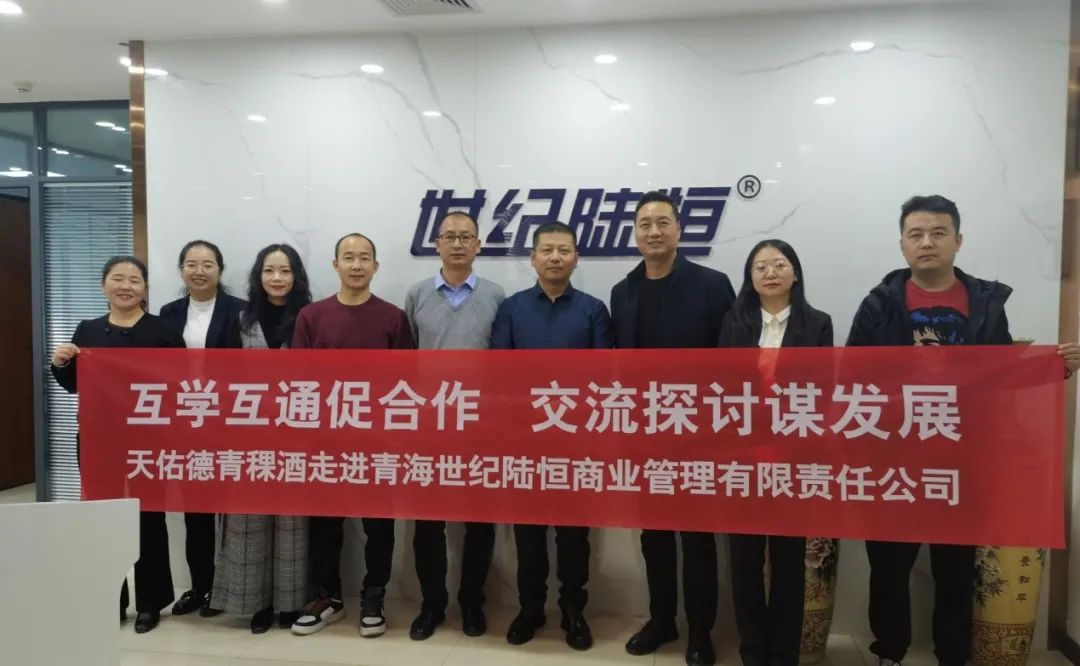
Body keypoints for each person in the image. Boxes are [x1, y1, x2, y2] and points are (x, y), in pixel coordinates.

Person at [847, 194, 1080, 666]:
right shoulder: (878, 305)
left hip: (963, 461)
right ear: (902, 244)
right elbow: (854, 377)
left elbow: (998, 375)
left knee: (955, 570)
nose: (926, 242)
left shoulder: (986, 304)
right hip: (894, 461)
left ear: (958, 240)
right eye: (915, 234)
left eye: (938, 233)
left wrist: (1049, 368)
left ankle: (952, 656)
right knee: (888, 568)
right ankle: (888, 653)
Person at [611, 190, 735, 666]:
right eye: (645, 224)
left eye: (663, 222)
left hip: (699, 435)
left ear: (679, 230)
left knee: (698, 539)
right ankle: (662, 620)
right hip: (646, 436)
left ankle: (701, 631)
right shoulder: (623, 291)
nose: (654, 231)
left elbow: (731, 362)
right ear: (635, 233)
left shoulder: (713, 285)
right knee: (655, 536)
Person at [490, 221, 612, 652]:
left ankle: (573, 611)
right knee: (528, 534)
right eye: (547, 250)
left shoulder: (594, 310)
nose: (555, 257)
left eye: (564, 250)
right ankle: (531, 609)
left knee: (573, 535)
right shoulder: (512, 309)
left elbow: (602, 379)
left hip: (576, 443)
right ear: (533, 258)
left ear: (576, 257)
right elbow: (500, 373)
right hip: (524, 442)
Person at [50, 256, 184, 634]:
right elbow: (74, 384)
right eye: (118, 278)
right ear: (103, 285)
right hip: (99, 439)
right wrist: (62, 363)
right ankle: (111, 599)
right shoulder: (88, 329)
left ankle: (150, 603)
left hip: (149, 439)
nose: (126, 286)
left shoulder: (163, 330)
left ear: (145, 288)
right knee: (102, 518)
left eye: (134, 280)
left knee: (149, 518)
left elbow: (180, 383)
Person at [290, 232, 412, 638]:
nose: (356, 265)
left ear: (376, 266)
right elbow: (300, 381)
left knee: (379, 525)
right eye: (348, 257)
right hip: (326, 441)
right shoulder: (311, 316)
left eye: (364, 258)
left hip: (377, 443)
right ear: (335, 265)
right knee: (325, 523)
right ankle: (328, 598)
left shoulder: (393, 318)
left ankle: (374, 596)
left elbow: (405, 384)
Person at [718, 240, 832, 666]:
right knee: (745, 563)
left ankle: (784, 653)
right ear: (750, 277)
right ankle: (753, 650)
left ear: (795, 273)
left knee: (788, 564)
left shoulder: (818, 324)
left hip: (793, 460)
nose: (770, 273)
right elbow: (723, 388)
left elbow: (820, 391)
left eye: (779, 265)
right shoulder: (733, 323)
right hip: (743, 459)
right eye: (760, 266)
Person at [403, 212, 506, 640]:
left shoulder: (497, 296)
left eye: (466, 237)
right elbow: (407, 360)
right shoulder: (417, 294)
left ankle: (471, 602)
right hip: (429, 427)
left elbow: (505, 364)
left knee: (479, 521)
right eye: (450, 237)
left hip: (481, 428)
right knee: (428, 523)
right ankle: (432, 605)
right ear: (437, 244)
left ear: (478, 245)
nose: (458, 244)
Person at [210, 244, 313, 633]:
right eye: (269, 270)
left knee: (291, 522)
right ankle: (255, 604)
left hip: (296, 434)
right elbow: (221, 376)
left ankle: (289, 604)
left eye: (285, 271)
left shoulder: (309, 317)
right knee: (247, 520)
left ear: (296, 276)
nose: (277, 278)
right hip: (246, 434)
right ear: (258, 276)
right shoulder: (239, 319)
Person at [159, 239, 246, 618]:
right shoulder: (169, 313)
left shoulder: (240, 311)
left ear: (220, 271)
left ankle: (227, 588)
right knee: (195, 511)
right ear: (181, 270)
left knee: (230, 510)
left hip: (228, 422)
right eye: (191, 264)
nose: (199, 271)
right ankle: (200, 586)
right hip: (185, 423)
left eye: (207, 264)